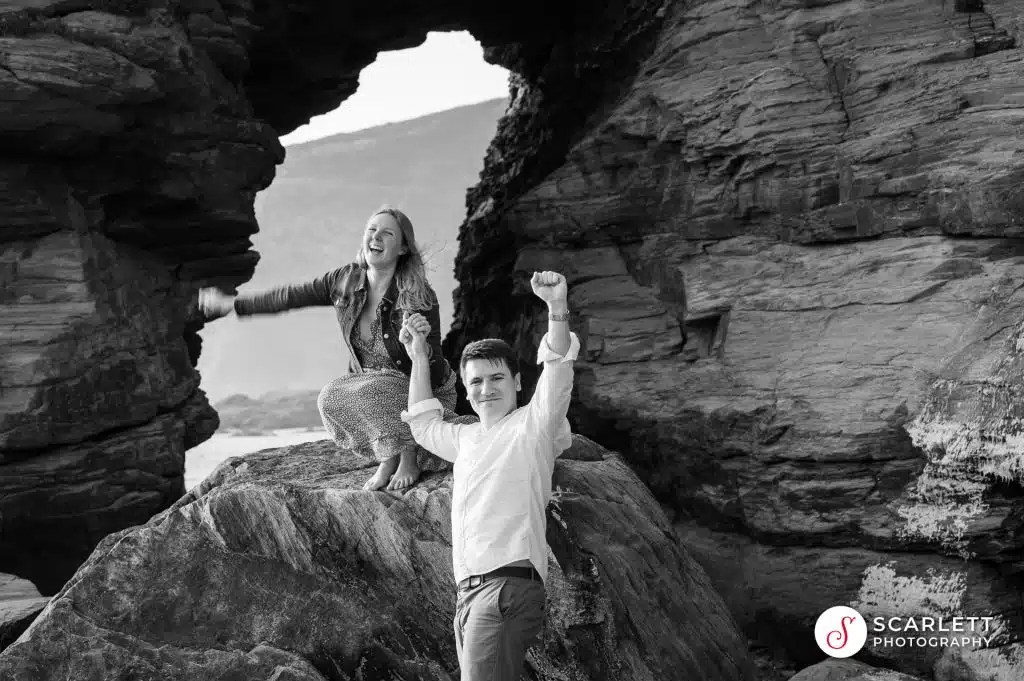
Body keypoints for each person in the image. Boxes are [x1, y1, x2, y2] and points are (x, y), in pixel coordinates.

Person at [198, 205, 463, 491]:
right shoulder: (344, 281)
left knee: (371, 391)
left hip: (418, 387)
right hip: (366, 384)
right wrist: (234, 305)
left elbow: (434, 372)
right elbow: (290, 296)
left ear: (401, 248)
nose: (376, 237)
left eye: (387, 233)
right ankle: (388, 454)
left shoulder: (416, 292)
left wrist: (420, 345)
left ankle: (408, 455)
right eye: (372, 230)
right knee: (330, 399)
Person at [398, 270, 577, 681]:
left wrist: (556, 308)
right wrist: (420, 357)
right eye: (475, 381)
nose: (486, 389)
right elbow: (423, 425)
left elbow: (558, 369)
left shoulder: (534, 425)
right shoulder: (466, 439)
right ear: (465, 388)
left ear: (516, 381)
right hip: (470, 595)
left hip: (505, 588)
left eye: (497, 378)